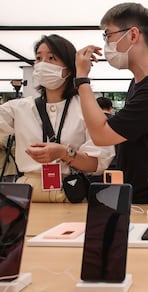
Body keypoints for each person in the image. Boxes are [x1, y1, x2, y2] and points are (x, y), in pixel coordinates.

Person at [75, 3, 148, 203]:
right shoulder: (139, 82)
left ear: (133, 35)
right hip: (139, 194)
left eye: (108, 36)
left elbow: (101, 135)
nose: (107, 45)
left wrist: (82, 79)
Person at [0, 34, 114, 202]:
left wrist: (63, 152)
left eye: (51, 58)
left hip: (71, 190)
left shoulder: (85, 108)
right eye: (38, 58)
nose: (42, 64)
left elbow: (96, 164)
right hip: (28, 194)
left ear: (68, 67)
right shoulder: (19, 108)